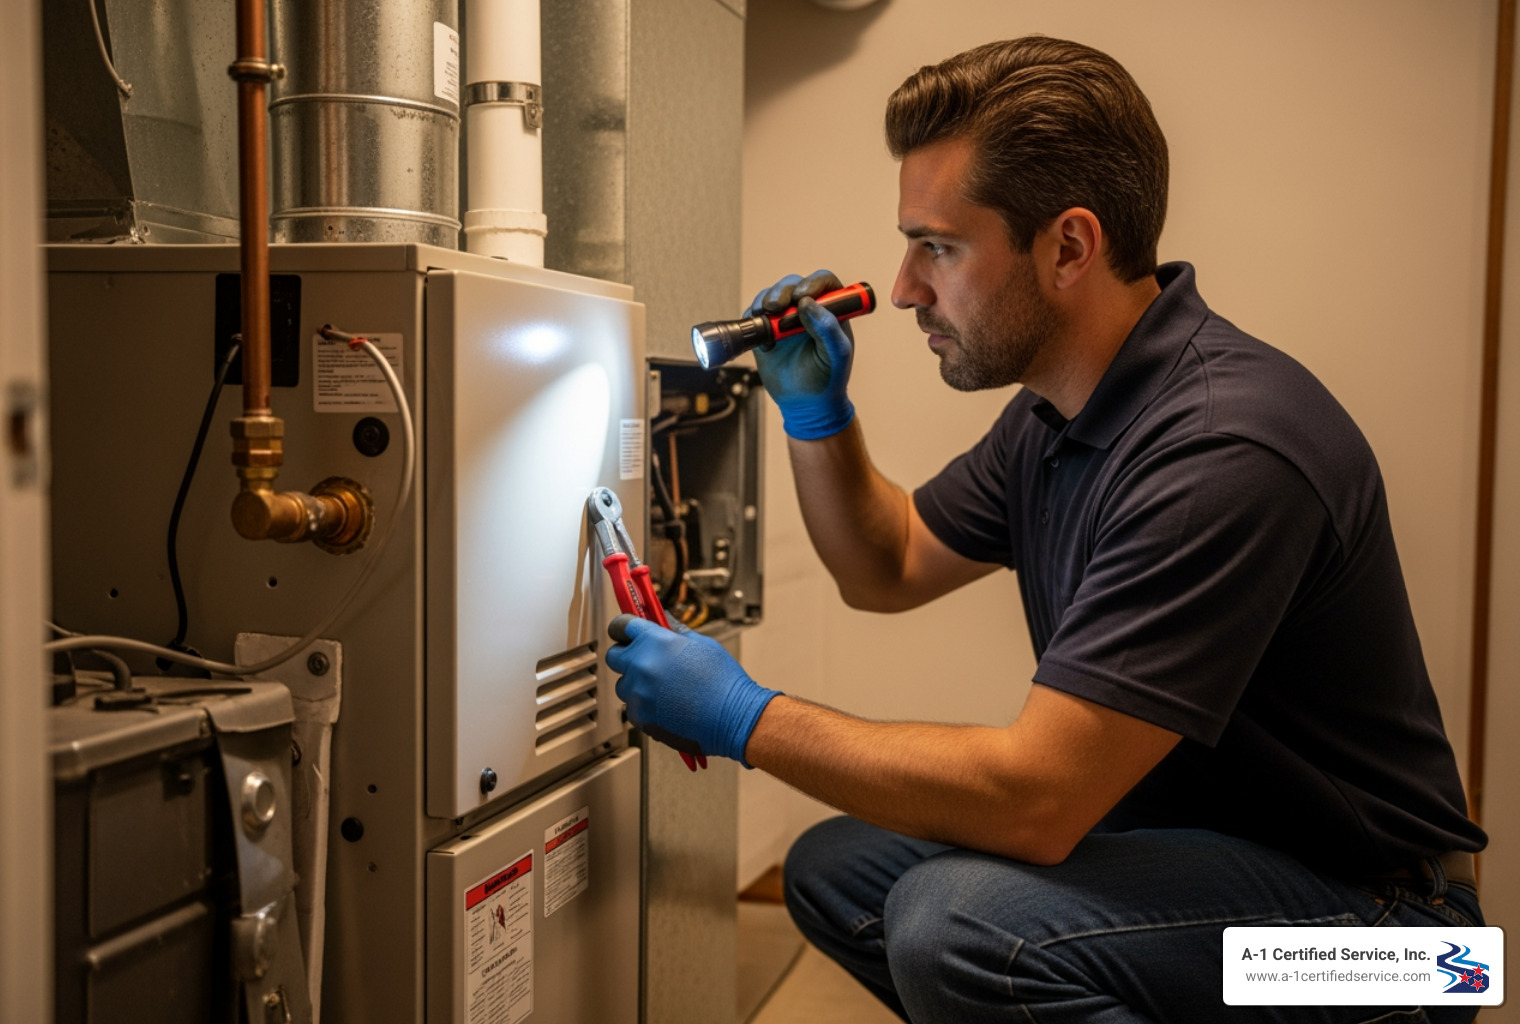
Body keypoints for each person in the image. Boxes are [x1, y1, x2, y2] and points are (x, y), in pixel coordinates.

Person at [605, 36, 1487, 1024]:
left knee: (961, 924)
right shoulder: (1057, 416)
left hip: (1395, 946)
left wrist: (744, 717)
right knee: (839, 868)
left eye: (937, 246)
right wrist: (816, 418)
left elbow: (1037, 798)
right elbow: (887, 563)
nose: (902, 289)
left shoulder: (1221, 450)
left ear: (1068, 246)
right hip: (1205, 866)